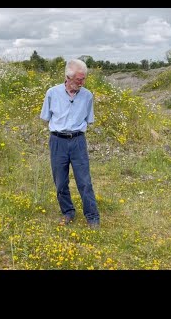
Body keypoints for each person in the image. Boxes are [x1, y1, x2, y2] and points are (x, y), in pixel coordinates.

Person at [40, 59, 100, 229]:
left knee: (84, 181)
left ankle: (92, 217)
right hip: (57, 141)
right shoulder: (52, 93)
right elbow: (45, 117)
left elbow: (89, 119)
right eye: (79, 79)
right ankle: (68, 212)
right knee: (60, 181)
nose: (82, 83)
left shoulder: (87, 95)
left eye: (84, 79)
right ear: (68, 77)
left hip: (78, 141)